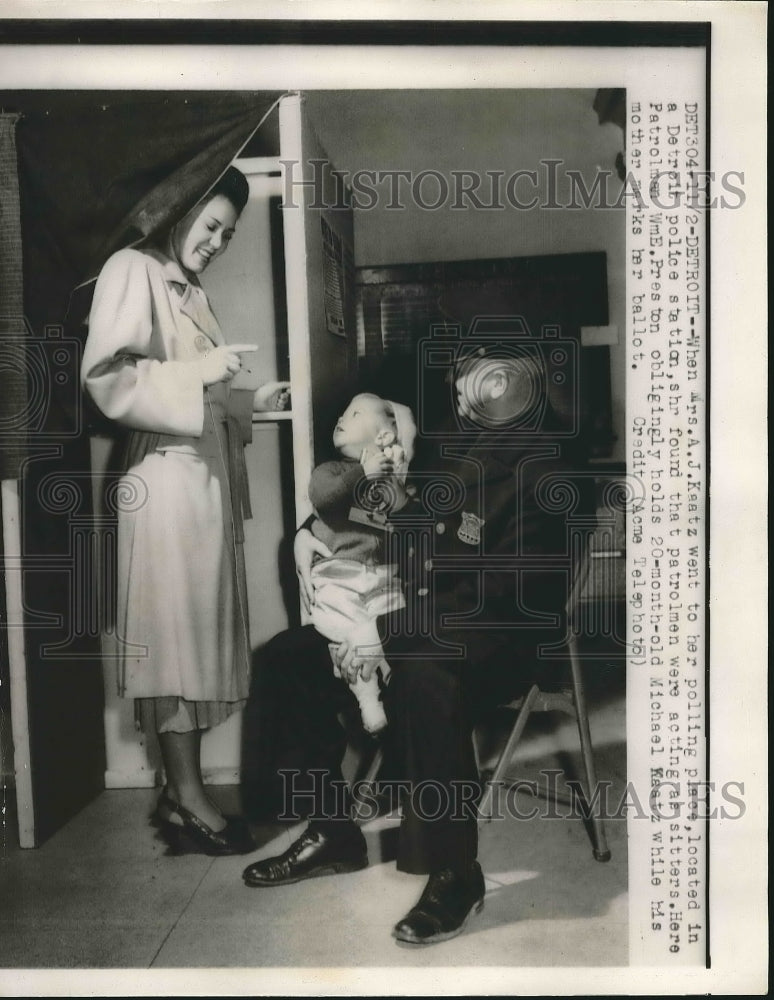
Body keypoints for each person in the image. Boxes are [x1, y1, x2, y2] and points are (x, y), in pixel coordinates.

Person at [241, 344, 593, 944]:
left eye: (471, 385)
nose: (458, 396)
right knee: (288, 657)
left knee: (427, 672)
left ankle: (456, 871)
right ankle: (333, 832)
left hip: (504, 635)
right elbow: (410, 537)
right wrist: (330, 555)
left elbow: (509, 590)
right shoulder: (465, 454)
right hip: (425, 616)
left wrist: (389, 631)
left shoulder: (549, 466)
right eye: (459, 384)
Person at [81, 166, 290, 856]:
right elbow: (107, 379)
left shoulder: (187, 287)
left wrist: (248, 402)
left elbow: (196, 393)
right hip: (164, 485)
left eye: (228, 235)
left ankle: (183, 788)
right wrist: (198, 377)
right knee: (175, 644)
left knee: (198, 643)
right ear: (178, 210)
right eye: (210, 226)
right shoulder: (131, 268)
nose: (217, 242)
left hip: (200, 485)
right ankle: (187, 798)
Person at [308, 393, 416, 734]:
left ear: (383, 437)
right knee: (359, 631)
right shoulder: (331, 471)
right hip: (339, 574)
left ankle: (391, 681)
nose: (342, 418)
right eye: (343, 411)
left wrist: (396, 474)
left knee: (390, 620)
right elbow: (325, 498)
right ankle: (369, 700)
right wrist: (362, 473)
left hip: (380, 576)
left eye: (354, 414)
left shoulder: (390, 476)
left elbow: (400, 523)